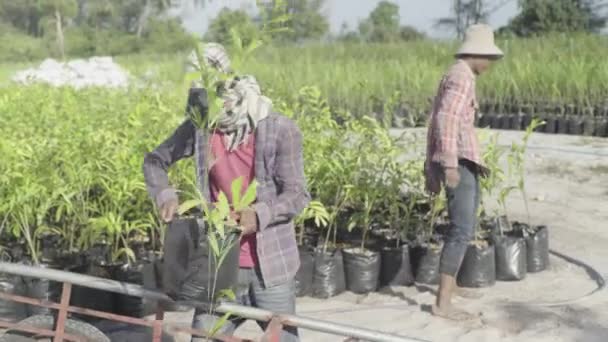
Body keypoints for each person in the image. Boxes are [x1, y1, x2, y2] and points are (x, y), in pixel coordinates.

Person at [143, 43, 310, 342]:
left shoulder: (277, 128)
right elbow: (154, 161)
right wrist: (165, 194)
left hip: (270, 269)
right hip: (218, 266)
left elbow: (297, 194)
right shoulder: (200, 129)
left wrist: (259, 215)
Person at [424, 24, 503, 321]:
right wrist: (449, 165)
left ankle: (452, 286)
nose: (490, 64)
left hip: (464, 160)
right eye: (489, 58)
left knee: (464, 225)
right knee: (461, 230)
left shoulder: (458, 73)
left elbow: (436, 120)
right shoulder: (462, 78)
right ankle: (442, 303)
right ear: (476, 54)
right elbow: (445, 120)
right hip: (459, 161)